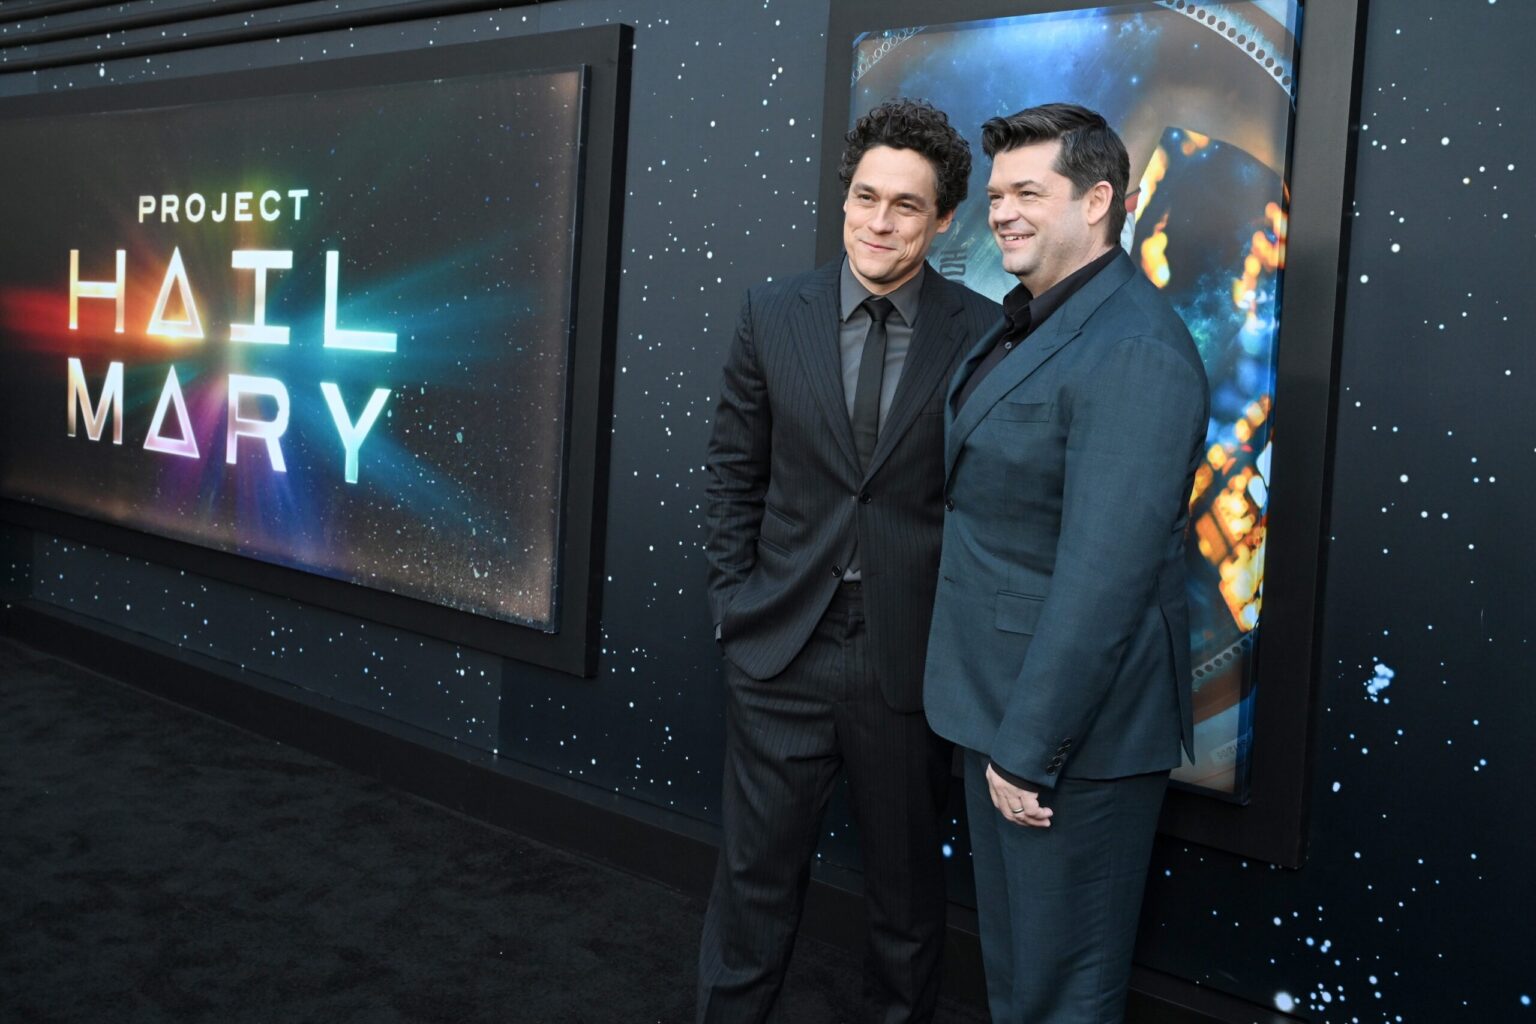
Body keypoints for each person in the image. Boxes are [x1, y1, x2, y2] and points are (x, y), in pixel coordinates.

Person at [698, 99, 1000, 1024]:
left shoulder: (986, 332)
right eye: (866, 197)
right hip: (781, 649)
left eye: (906, 206)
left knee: (905, 907)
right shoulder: (771, 313)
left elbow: (992, 506)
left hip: (905, 661)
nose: (879, 221)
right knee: (751, 890)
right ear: (844, 200)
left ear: (944, 220)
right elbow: (733, 473)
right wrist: (735, 607)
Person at [923, 103, 1210, 1022]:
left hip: (1065, 738)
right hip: (1000, 704)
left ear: (1097, 201)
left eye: (1027, 192)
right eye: (996, 194)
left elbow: (1104, 579)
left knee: (1062, 997)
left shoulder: (1135, 348)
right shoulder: (1037, 318)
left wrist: (1027, 750)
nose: (1002, 212)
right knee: (1020, 981)